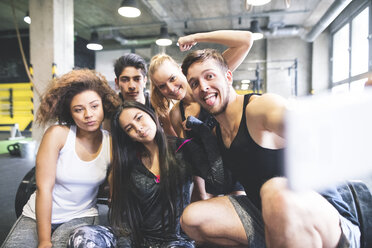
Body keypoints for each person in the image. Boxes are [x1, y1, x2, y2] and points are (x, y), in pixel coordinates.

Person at [179, 48, 361, 247]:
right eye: (195, 83)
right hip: (267, 214)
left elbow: (309, 128)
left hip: (327, 218)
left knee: (275, 189)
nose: (203, 87)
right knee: (191, 218)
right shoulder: (217, 133)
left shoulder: (260, 108)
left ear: (228, 77)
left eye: (210, 76)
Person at [67, 101, 225, 248]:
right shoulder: (129, 163)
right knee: (82, 236)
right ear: (127, 136)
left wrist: (203, 131)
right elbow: (123, 216)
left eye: (139, 118)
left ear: (150, 114)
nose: (139, 128)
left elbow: (219, 182)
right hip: (137, 239)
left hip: (175, 241)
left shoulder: (183, 148)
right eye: (129, 128)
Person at [1, 69, 121, 248]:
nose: (88, 114)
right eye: (79, 110)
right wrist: (44, 241)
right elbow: (44, 189)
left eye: (94, 106)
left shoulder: (111, 143)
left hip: (81, 215)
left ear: (104, 105)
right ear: (70, 113)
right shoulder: (57, 135)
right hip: (37, 215)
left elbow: (114, 187)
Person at [148, 30, 253, 199]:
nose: (171, 88)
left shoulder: (211, 81)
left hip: (240, 172)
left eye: (173, 78)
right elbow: (194, 158)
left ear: (180, 69)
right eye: (162, 86)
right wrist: (201, 193)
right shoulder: (176, 114)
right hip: (212, 180)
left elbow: (246, 40)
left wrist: (194, 38)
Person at [112, 53, 176, 136]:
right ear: (117, 83)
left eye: (137, 79)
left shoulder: (158, 104)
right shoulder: (112, 108)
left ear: (145, 81)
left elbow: (172, 138)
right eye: (125, 80)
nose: (132, 86)